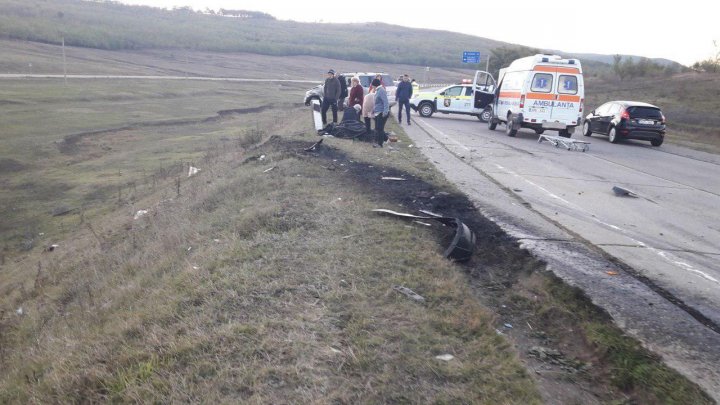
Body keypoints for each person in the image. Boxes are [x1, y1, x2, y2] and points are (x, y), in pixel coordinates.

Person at [372, 78, 389, 147]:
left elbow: (386, 102)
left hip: (381, 113)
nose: (372, 86)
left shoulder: (381, 90)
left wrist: (385, 112)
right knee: (377, 128)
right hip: (377, 112)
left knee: (380, 128)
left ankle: (380, 144)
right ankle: (386, 139)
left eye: (372, 85)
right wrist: (373, 110)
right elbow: (377, 103)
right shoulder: (378, 90)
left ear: (375, 85)